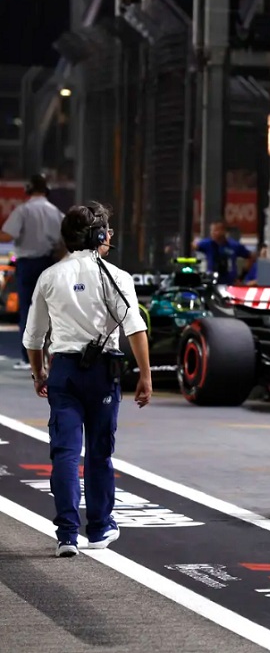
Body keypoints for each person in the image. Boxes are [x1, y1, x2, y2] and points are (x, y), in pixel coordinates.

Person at [21, 202, 152, 557]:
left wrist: (39, 374)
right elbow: (135, 327)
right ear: (96, 235)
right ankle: (99, 528)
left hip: (63, 371)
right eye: (106, 230)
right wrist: (145, 374)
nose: (110, 236)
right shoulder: (117, 277)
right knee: (99, 452)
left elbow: (33, 339)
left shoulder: (49, 276)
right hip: (102, 373)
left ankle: (66, 534)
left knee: (64, 452)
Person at [1, 174, 65, 370]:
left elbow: (7, 235)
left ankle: (28, 358)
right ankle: (51, 356)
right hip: (50, 263)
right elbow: (65, 242)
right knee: (52, 311)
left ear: (28, 190)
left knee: (28, 312)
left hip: (28, 265)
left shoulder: (23, 211)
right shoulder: (57, 213)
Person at [193, 220, 259, 284]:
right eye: (211, 230)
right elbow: (194, 246)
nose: (213, 233)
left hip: (230, 282)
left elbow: (251, 257)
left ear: (223, 231)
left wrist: (242, 276)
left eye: (216, 230)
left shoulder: (234, 245)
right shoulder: (208, 244)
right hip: (212, 281)